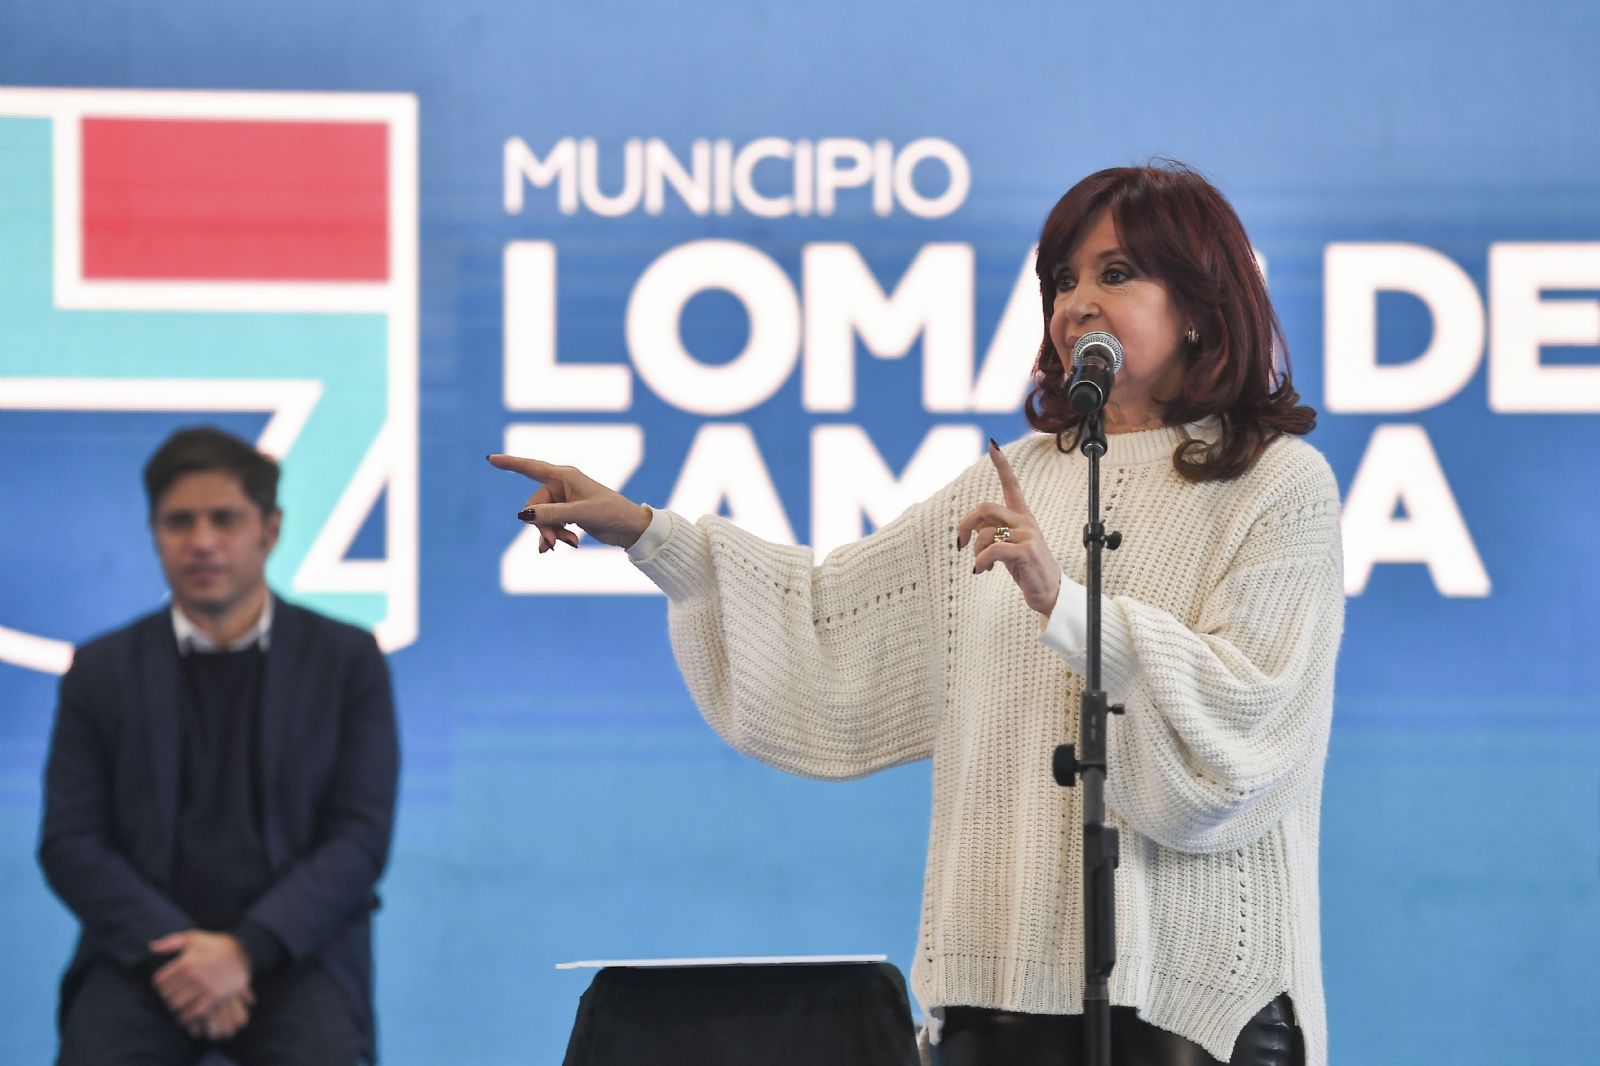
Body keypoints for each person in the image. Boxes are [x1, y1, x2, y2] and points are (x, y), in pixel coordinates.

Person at [490, 162, 1343, 1066]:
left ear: (1202, 305)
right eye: (1063, 280)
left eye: (1116, 273)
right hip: (998, 1004)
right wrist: (648, 534)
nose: (1078, 304)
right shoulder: (1012, 481)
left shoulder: (1276, 485)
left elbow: (1250, 720)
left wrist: (1068, 606)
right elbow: (831, 626)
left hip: (1196, 1006)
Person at [39, 426, 400, 1066]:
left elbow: (359, 837)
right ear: (154, 533)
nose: (202, 541)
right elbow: (70, 842)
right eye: (180, 521)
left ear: (271, 529)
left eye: (225, 519)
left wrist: (244, 949)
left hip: (295, 953)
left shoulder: (345, 660)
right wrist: (184, 955)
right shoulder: (101, 670)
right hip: (144, 957)